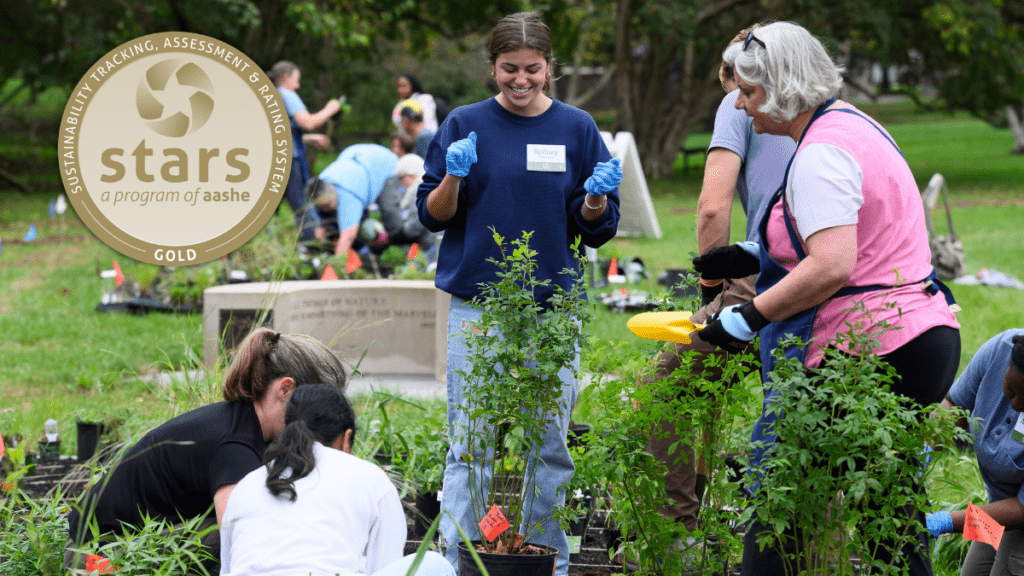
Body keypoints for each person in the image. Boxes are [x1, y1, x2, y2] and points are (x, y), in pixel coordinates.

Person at [693, 21, 960, 575]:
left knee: (777, 501)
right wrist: (750, 255)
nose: (739, 105)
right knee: (886, 515)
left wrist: (746, 318)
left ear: (782, 88)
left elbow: (833, 265)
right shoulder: (854, 124)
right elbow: (858, 235)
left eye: (749, 92)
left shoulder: (821, 153)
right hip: (920, 335)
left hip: (868, 352)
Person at [416, 12, 622, 576]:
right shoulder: (464, 123)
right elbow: (432, 215)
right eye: (510, 68)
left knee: (548, 444)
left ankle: (547, 563)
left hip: (552, 310)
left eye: (532, 68)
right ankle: (461, 561)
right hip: (479, 306)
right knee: (471, 442)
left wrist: (596, 199)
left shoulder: (577, 128)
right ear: (493, 68)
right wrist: (454, 176)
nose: (521, 79)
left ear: (549, 68)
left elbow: (594, 226)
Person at [640, 24, 796, 553]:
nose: (739, 103)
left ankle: (677, 536)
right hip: (829, 272)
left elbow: (712, 207)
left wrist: (712, 286)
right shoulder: (826, 112)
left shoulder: (737, 102)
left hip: (764, 273)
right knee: (793, 406)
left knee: (664, 390)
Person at [65, 328, 348, 574]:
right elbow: (242, 543)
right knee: (238, 532)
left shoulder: (244, 422)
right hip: (94, 559)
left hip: (112, 546)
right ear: (285, 389)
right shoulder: (235, 447)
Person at [220, 384, 455, 576]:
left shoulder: (247, 484)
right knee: (436, 565)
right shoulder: (370, 478)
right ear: (346, 438)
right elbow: (384, 566)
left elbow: (228, 568)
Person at [926, 330, 1024, 576]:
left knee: (1010, 568)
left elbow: (1022, 510)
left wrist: (944, 522)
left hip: (1018, 511)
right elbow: (954, 404)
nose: (1016, 405)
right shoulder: (1001, 349)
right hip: (999, 503)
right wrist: (925, 451)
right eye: (1011, 391)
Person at [269, 61, 342, 242]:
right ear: (286, 77)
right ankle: (312, 244)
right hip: (289, 159)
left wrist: (309, 139)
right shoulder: (286, 95)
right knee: (302, 202)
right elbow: (308, 122)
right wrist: (330, 109)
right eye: (296, 80)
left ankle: (263, 245)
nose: (298, 86)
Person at [308, 143, 399, 257]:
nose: (325, 209)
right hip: (357, 159)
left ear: (332, 190)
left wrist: (335, 263)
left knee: (388, 214)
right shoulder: (318, 185)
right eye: (321, 207)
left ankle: (399, 251)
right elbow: (319, 224)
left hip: (387, 166)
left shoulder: (348, 195)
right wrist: (321, 230)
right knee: (335, 220)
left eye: (327, 205)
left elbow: (348, 237)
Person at [377, 153, 437, 259]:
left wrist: (393, 238)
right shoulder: (431, 186)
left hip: (430, 245)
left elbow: (415, 226)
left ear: (411, 175)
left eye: (401, 178)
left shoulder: (419, 191)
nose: (401, 183)